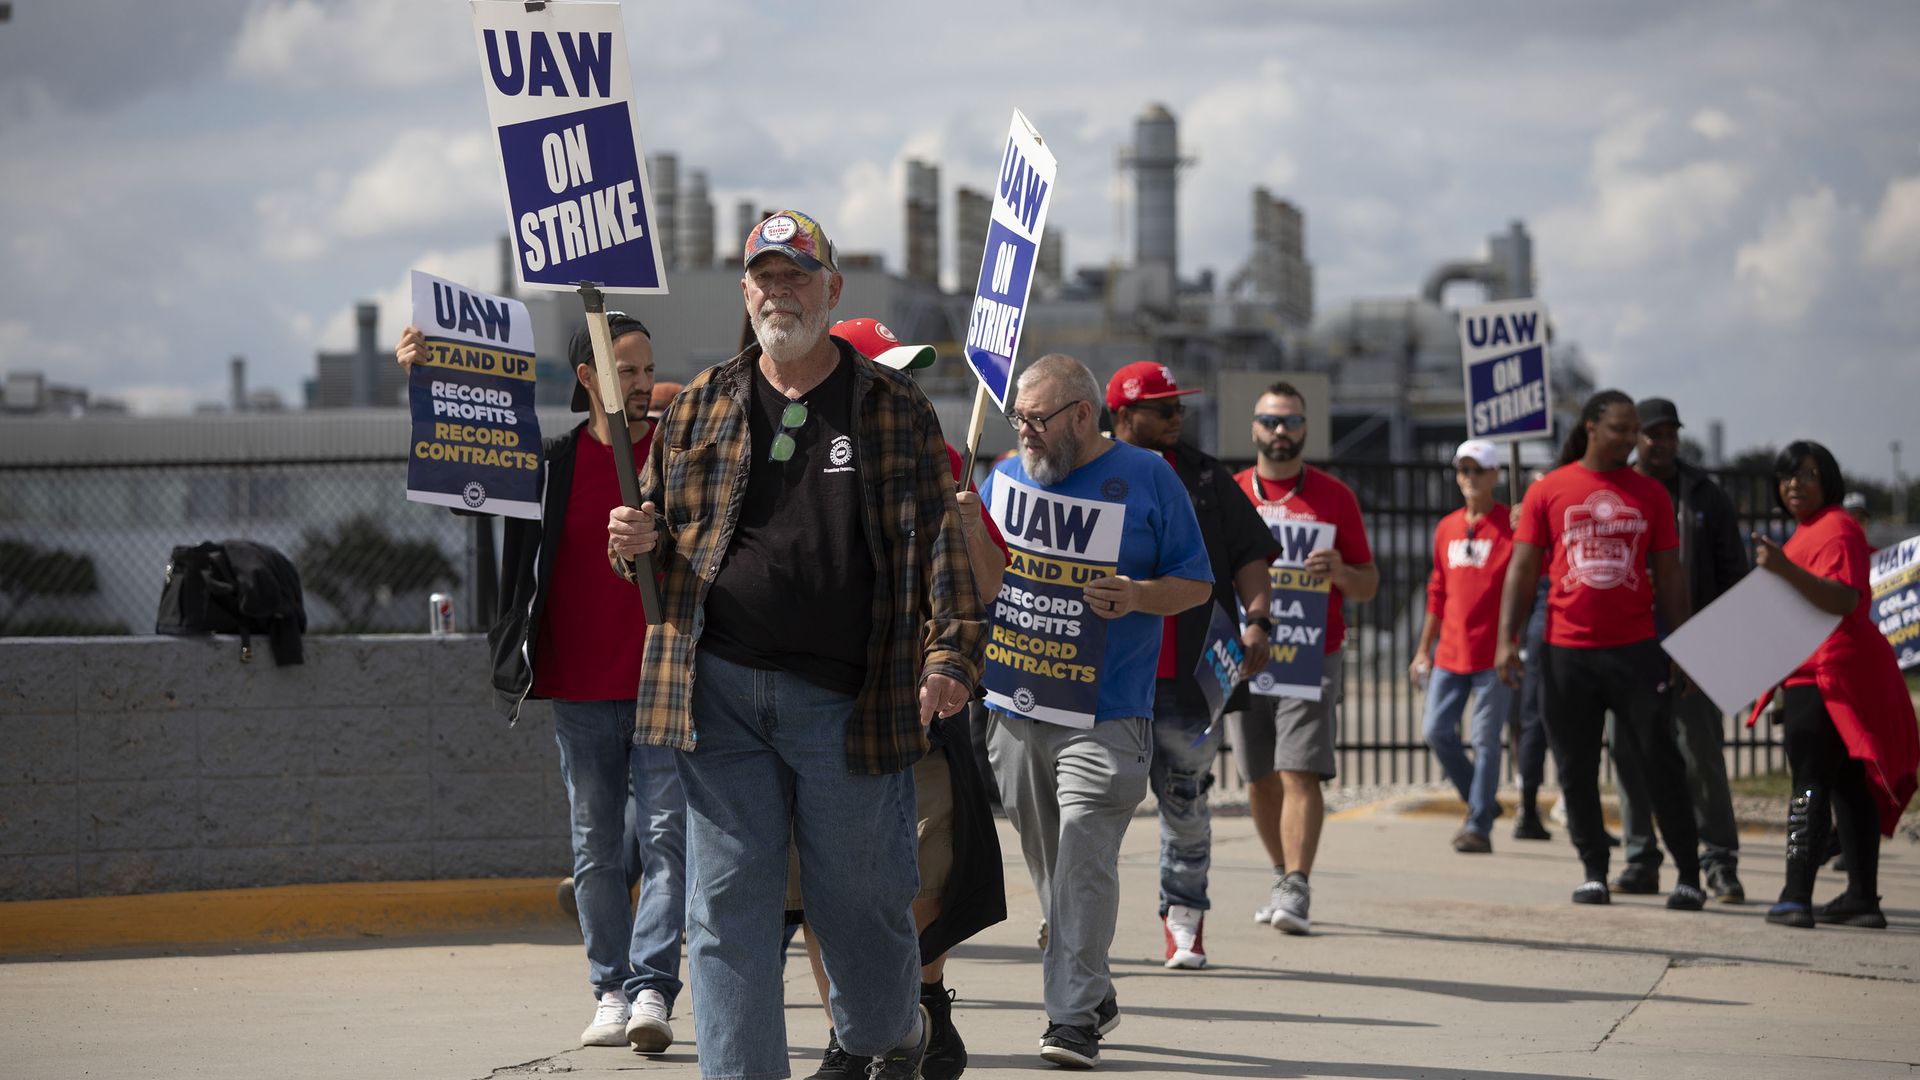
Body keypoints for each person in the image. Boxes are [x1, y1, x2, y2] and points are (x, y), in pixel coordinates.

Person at [606, 209, 985, 1080]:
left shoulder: (893, 408)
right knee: (728, 910)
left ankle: (893, 1026)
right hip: (719, 691)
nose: (781, 293)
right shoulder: (701, 402)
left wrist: (951, 658)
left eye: (797, 277)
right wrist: (631, 539)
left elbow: (940, 546)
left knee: (858, 902)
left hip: (851, 702)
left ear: (832, 289)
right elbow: (655, 549)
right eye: (765, 278)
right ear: (746, 292)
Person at [394, 315, 687, 1052]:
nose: (645, 382)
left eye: (649, 368)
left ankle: (653, 986)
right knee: (593, 844)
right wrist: (424, 382)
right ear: (588, 379)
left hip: (663, 681)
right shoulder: (548, 464)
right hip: (578, 685)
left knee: (666, 839)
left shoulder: (678, 458)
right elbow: (464, 476)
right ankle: (611, 990)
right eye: (628, 370)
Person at [795, 316, 1010, 1080]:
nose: (903, 382)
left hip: (916, 708)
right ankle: (847, 1036)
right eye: (889, 368)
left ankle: (925, 1007)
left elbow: (985, 587)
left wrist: (962, 517)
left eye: (908, 370)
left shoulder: (938, 454)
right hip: (819, 705)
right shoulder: (792, 450)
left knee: (918, 872)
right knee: (823, 883)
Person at [982, 353, 1212, 1068]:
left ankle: (1072, 1018)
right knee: (1051, 867)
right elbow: (984, 583)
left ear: (1082, 416)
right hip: (1016, 708)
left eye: (1038, 420)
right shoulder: (1004, 476)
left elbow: (1196, 584)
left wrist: (1140, 595)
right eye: (1018, 418)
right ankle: (1094, 983)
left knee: (1083, 846)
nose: (1025, 432)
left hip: (1107, 713)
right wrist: (967, 529)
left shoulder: (1149, 478)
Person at [1495, 390, 1704, 910]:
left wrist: (1681, 646)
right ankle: (1594, 870)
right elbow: (1521, 570)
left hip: (1635, 651)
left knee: (1660, 761)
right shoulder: (1549, 490)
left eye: (1634, 430)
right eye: (1620, 429)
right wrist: (1508, 638)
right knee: (1575, 765)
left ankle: (1689, 874)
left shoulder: (1651, 494)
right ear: (1591, 427)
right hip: (1567, 654)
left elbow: (1670, 575)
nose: (1631, 439)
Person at [1105, 360, 1277, 970]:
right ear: (1125, 415)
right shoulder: (1087, 470)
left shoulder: (1204, 477)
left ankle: (1184, 920)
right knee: (1091, 802)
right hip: (1105, 674)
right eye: (1165, 409)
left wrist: (1258, 618)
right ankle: (1071, 913)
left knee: (1186, 798)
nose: (1179, 418)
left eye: (1181, 408)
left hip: (1186, 677)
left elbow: (1249, 554)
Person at [1228, 381, 1377, 935]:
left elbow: (1368, 585)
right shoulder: (1235, 491)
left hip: (1312, 654)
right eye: (1270, 421)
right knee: (1258, 775)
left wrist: (1340, 571)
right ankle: (1279, 874)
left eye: (1290, 421)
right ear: (1254, 428)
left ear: (1306, 429)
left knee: (1300, 770)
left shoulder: (1335, 496)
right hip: (1247, 654)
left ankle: (1297, 883)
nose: (1280, 431)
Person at [1755, 441, 1919, 929]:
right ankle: (1862, 899)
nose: (1794, 485)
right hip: (1830, 670)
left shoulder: (1837, 528)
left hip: (1829, 672)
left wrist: (1783, 569)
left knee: (1808, 783)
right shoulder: (1809, 533)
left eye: (1806, 474)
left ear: (1827, 479)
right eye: (1786, 477)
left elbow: (1845, 598)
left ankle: (1795, 895)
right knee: (1850, 785)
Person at [1612, 397, 1749, 902]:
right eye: (1654, 434)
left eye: (1670, 433)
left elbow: (1733, 571)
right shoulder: (1618, 489)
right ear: (1635, 439)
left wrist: (1723, 643)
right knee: (1629, 752)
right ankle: (1640, 859)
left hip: (1697, 643)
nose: (1663, 442)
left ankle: (1718, 861)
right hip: (1628, 644)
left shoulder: (1703, 494)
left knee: (1702, 755)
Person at [1411, 440, 1514, 854]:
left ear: (1495, 476)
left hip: (1494, 654)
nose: (1469, 478)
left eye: (1478, 470)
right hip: (1450, 653)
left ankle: (1477, 825)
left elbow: (1532, 583)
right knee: (1436, 730)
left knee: (1486, 739)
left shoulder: (1513, 525)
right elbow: (1437, 592)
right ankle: (1482, 801)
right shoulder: (1447, 527)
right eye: (1463, 470)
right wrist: (1423, 649)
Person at [1509, 469, 1555, 843]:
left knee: (1538, 721)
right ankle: (1527, 806)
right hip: (1542, 612)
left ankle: (1537, 806)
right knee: (1533, 721)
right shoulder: (1531, 521)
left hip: (1551, 608)